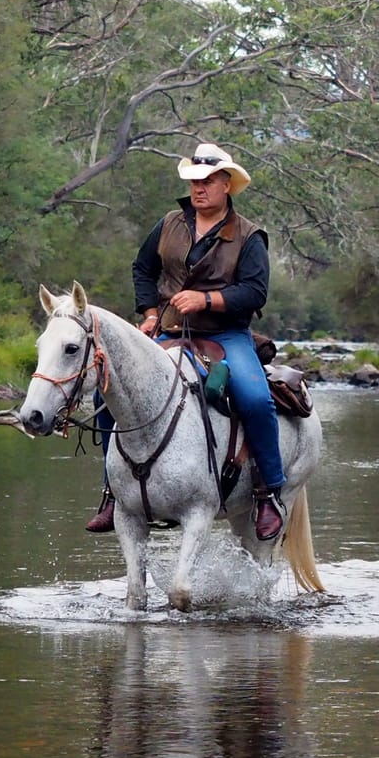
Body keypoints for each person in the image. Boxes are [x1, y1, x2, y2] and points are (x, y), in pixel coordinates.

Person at [85, 144, 287, 541]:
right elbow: (143, 268)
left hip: (225, 334)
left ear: (226, 185)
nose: (199, 188)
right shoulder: (169, 224)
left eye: (207, 181)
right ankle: (113, 492)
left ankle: (269, 493)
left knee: (255, 398)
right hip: (169, 329)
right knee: (106, 392)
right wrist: (147, 313)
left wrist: (207, 300)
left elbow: (255, 293)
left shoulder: (248, 236)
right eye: (194, 181)